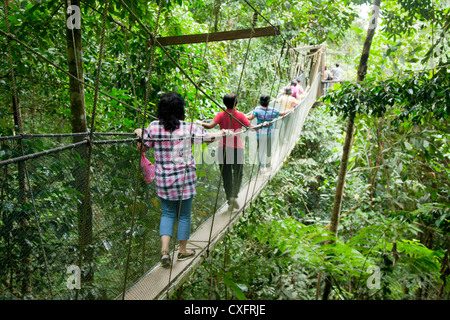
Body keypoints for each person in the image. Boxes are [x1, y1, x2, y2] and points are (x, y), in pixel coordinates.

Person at [134, 92, 226, 268]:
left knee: (167, 214)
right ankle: (182, 251)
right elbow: (210, 137)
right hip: (185, 179)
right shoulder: (188, 127)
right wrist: (222, 132)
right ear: (180, 109)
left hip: (164, 181)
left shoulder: (153, 127)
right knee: (183, 214)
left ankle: (164, 251)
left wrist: (139, 133)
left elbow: (143, 148)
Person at [197, 93, 251, 212]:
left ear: (224, 103)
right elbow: (251, 127)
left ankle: (229, 199)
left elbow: (210, 126)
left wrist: (199, 122)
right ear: (236, 103)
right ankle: (234, 196)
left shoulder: (221, 114)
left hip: (223, 149)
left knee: (226, 175)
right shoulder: (240, 115)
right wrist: (263, 124)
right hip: (237, 149)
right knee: (238, 173)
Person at [247, 94, 292, 172]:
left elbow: (250, 117)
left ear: (260, 102)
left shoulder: (257, 110)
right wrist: (289, 110)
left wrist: (240, 115)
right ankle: (268, 165)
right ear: (268, 102)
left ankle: (261, 167)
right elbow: (282, 113)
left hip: (260, 133)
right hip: (270, 133)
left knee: (261, 149)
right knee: (269, 149)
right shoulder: (273, 111)